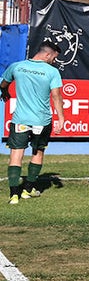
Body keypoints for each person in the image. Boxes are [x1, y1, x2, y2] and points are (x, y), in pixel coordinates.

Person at [1, 40, 63, 204]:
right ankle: (27, 190)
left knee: (16, 154)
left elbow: (4, 83)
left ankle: (14, 194)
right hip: (41, 121)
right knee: (38, 152)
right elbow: (56, 96)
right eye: (54, 58)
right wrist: (61, 118)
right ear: (47, 54)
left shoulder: (17, 66)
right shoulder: (52, 72)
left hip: (20, 119)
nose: (54, 61)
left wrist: (5, 92)